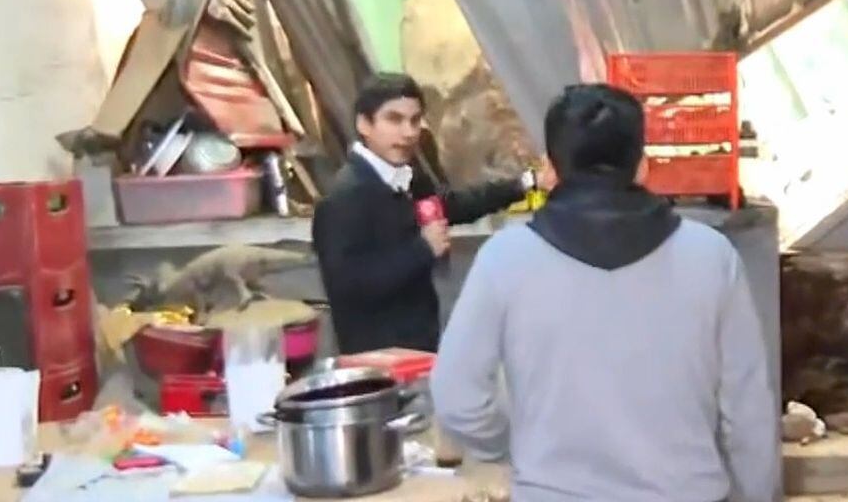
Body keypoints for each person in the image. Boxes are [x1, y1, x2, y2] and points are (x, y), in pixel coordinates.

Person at [432, 83, 778, 502]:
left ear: (550, 170)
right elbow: (748, 411)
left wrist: (510, 446)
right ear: (643, 167)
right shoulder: (712, 256)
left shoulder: (504, 259)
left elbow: (456, 395)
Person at [312, 73, 535, 354]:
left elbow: (451, 206)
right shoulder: (343, 198)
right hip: (377, 360)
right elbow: (348, 286)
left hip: (418, 349)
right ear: (364, 124)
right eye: (394, 120)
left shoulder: (405, 179)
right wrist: (422, 249)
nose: (408, 132)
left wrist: (525, 183)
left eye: (415, 121)